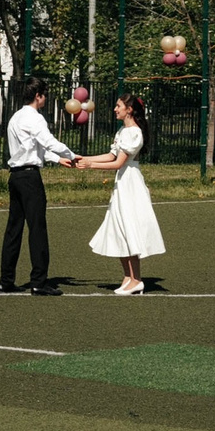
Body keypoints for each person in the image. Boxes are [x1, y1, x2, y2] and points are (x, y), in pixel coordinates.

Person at [79, 94, 164, 295]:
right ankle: (128, 277)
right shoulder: (122, 131)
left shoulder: (133, 133)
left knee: (129, 227)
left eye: (119, 106)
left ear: (129, 109)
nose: (115, 109)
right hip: (122, 183)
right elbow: (111, 155)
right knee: (119, 227)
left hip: (130, 184)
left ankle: (137, 280)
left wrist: (90, 165)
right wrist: (84, 158)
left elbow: (118, 163)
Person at [0, 80, 77, 294]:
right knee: (37, 228)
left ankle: (6, 280)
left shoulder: (16, 117)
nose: (45, 98)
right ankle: (38, 281)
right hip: (30, 178)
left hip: (16, 176)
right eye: (44, 94)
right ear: (38, 96)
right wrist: (71, 154)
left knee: (13, 229)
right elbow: (48, 142)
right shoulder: (35, 118)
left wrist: (56, 159)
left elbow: (32, 148)